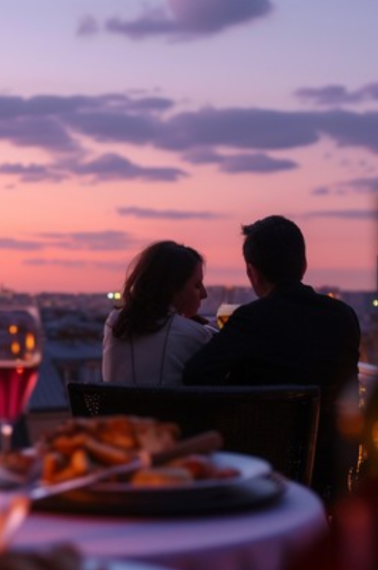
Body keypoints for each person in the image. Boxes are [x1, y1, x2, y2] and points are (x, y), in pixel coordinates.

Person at [183, 215, 361, 503]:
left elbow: (196, 375)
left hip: (261, 470)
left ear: (252, 272)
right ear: (303, 265)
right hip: (331, 469)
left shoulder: (252, 320)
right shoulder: (343, 316)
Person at [102, 240, 214, 386]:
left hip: (117, 409)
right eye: (197, 285)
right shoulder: (196, 335)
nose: (204, 294)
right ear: (173, 289)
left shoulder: (114, 324)